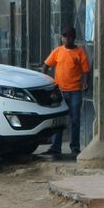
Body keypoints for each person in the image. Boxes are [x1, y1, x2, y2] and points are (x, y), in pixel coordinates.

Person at [43, 25, 90, 160]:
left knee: (75, 120)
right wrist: (45, 80)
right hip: (60, 91)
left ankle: (74, 147)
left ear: (74, 38)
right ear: (62, 38)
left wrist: (86, 82)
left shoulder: (80, 53)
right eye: (65, 37)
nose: (67, 39)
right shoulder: (57, 51)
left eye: (69, 37)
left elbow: (86, 70)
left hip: (75, 91)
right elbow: (46, 65)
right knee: (58, 120)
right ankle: (55, 147)